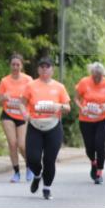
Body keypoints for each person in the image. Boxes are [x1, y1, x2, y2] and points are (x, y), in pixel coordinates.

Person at [20, 57, 71, 200]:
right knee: (32, 158)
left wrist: (59, 106)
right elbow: (22, 103)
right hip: (35, 125)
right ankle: (37, 175)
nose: (44, 69)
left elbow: (68, 107)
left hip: (53, 126)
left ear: (52, 70)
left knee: (49, 160)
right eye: (41, 67)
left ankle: (47, 188)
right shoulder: (31, 86)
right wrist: (24, 113)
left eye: (47, 67)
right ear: (38, 70)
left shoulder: (59, 87)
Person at [75, 62, 105, 185]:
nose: (97, 79)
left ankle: (99, 172)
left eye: (100, 76)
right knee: (89, 147)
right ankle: (93, 162)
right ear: (91, 74)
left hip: (103, 119)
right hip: (86, 119)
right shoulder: (84, 82)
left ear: (103, 74)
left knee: (99, 144)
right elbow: (76, 98)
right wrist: (81, 107)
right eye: (95, 76)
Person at [0, 54, 31, 182]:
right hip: (8, 114)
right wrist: (3, 98)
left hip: (22, 116)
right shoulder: (4, 81)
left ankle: (29, 167)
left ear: (21, 66)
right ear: (10, 65)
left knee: (22, 145)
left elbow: (32, 98)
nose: (15, 67)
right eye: (13, 64)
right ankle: (16, 172)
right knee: (12, 144)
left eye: (18, 64)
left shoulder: (28, 80)